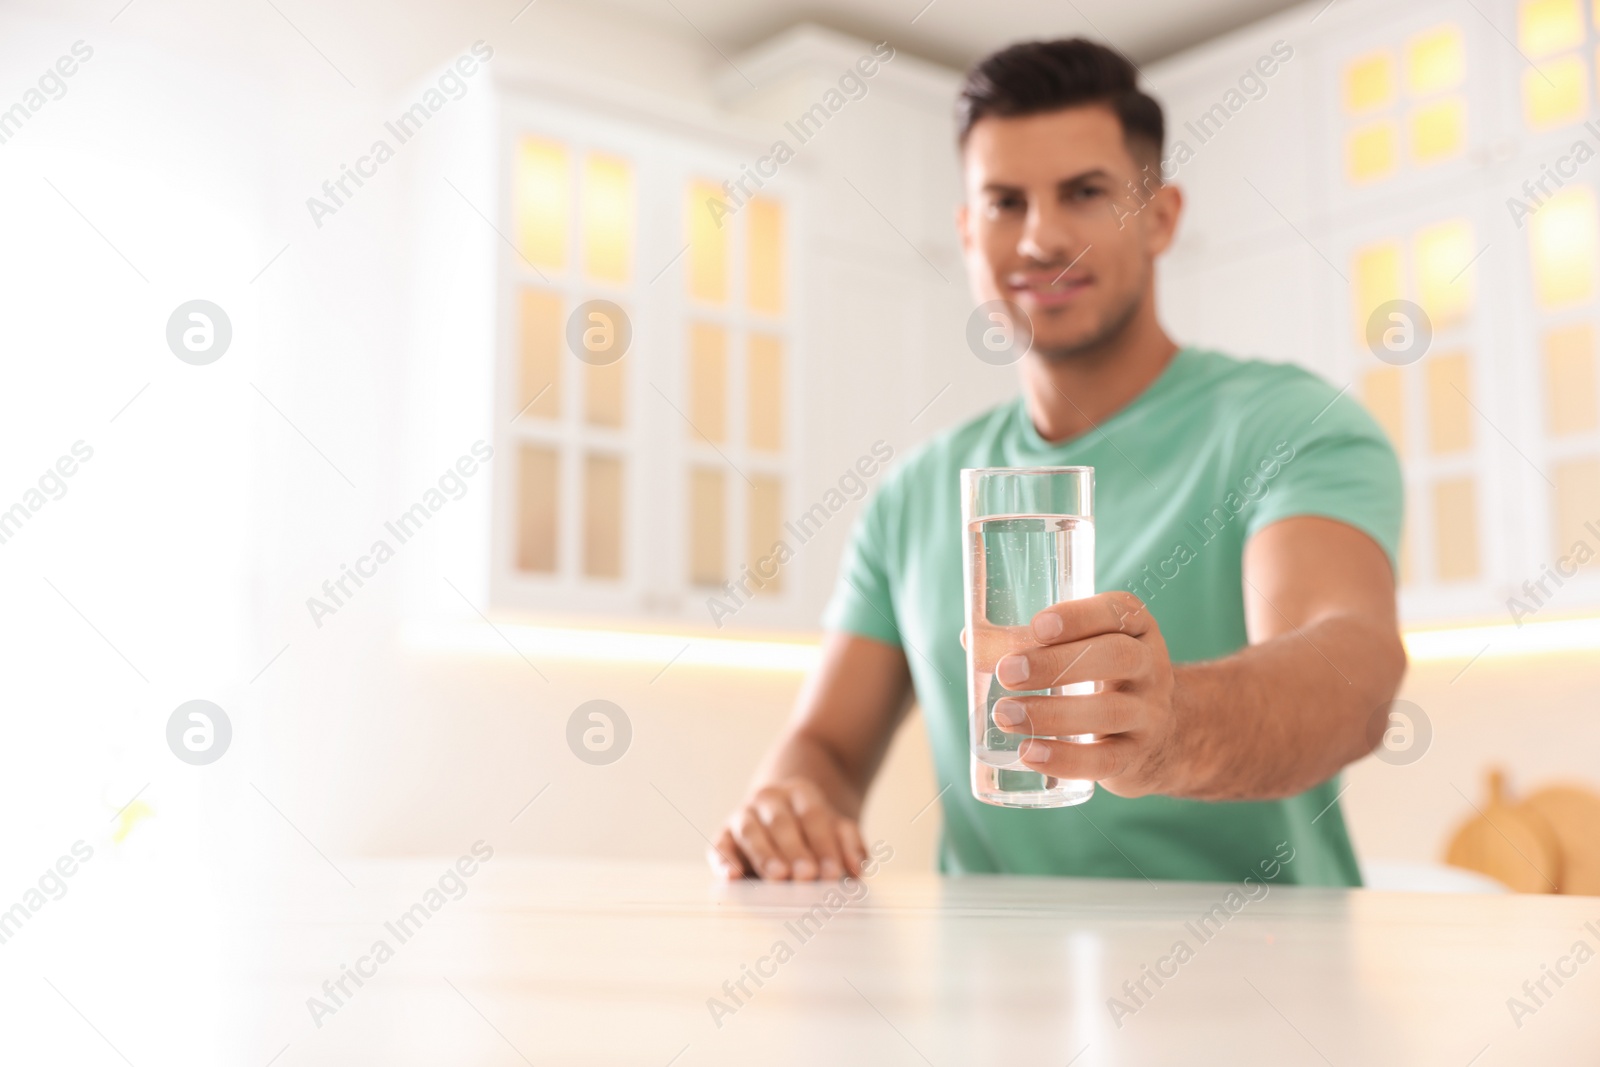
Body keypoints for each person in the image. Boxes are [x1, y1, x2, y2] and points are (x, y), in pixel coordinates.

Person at [710, 37, 1405, 885]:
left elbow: (1347, 668)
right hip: (990, 998)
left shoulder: (1288, 425)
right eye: (1005, 202)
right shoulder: (917, 491)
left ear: (1160, 215)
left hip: (1261, 987)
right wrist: (790, 804)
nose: (1041, 238)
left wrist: (1167, 725)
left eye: (1084, 193)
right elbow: (822, 745)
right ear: (968, 234)